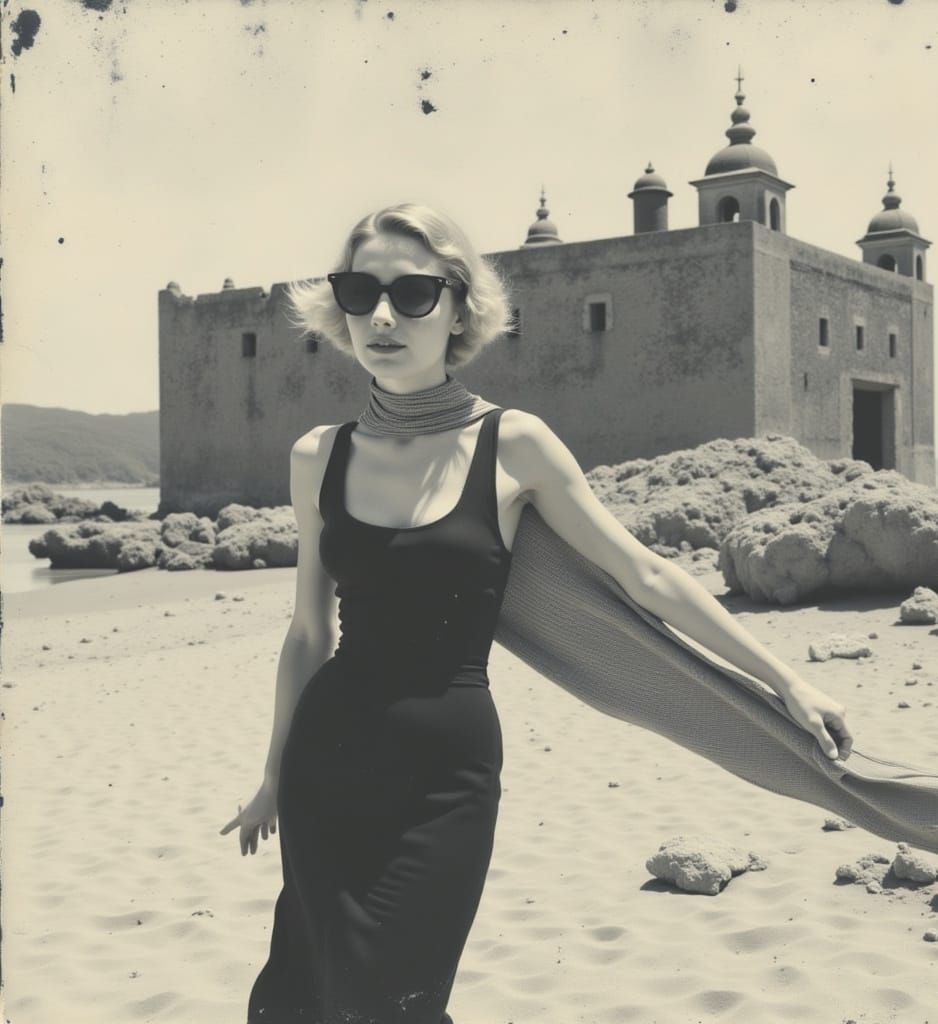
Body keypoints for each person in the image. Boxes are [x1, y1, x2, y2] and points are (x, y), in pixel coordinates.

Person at [220, 202, 853, 1024]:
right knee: (313, 992)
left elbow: (645, 574)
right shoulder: (317, 455)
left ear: (457, 306)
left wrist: (785, 683)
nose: (381, 316)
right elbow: (310, 631)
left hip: (447, 777)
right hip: (325, 766)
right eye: (358, 291)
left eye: (412, 294)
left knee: (395, 1002)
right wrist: (274, 774)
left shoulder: (514, 444)